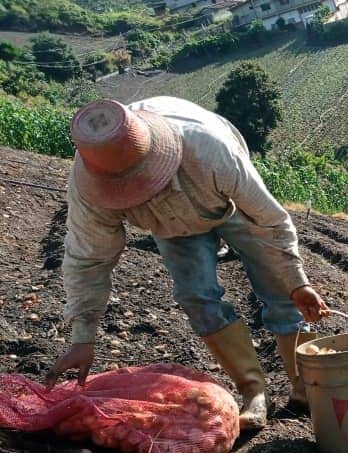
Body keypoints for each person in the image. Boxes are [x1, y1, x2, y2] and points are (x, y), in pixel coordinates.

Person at [45, 97, 332, 431]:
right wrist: (83, 337)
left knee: (281, 290)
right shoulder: (90, 182)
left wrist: (298, 282)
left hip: (228, 204)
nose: (140, 190)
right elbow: (87, 259)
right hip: (171, 228)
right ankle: (253, 391)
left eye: (144, 181)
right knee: (196, 296)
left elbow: (271, 222)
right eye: (128, 189)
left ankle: (305, 388)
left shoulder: (208, 148)